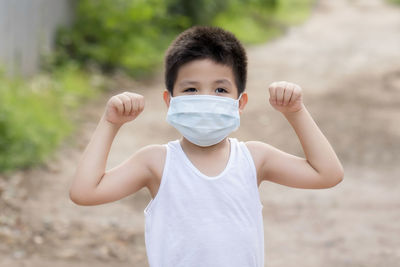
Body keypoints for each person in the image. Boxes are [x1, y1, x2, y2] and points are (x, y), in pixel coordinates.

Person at [69, 26, 344, 267]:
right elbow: (84, 191)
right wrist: (110, 123)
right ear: (170, 101)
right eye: (190, 90)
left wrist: (295, 112)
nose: (206, 99)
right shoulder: (156, 162)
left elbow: (328, 174)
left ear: (240, 103)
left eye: (220, 90)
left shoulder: (254, 158)